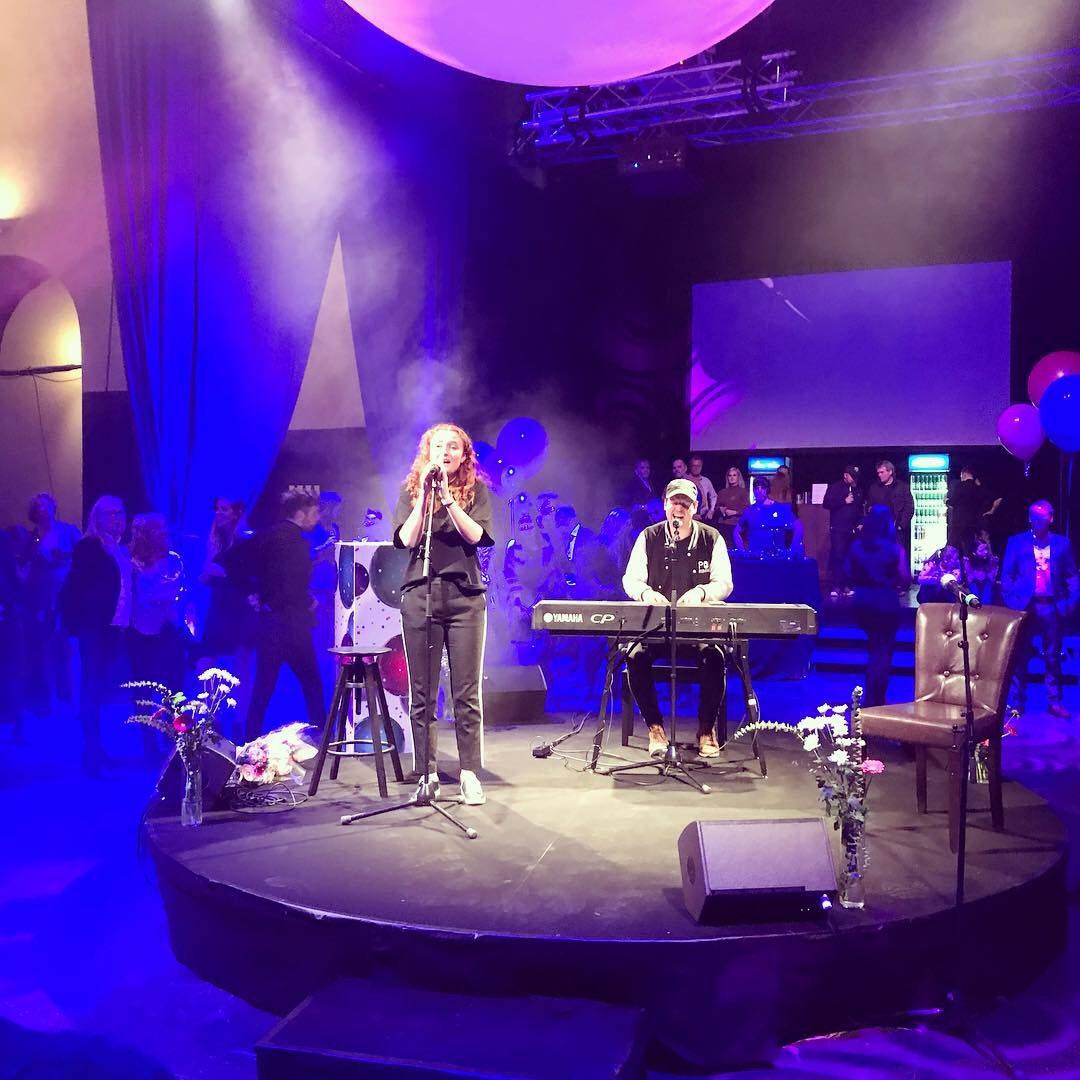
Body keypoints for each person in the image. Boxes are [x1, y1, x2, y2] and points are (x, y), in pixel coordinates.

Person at [393, 422, 495, 804]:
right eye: (439, 447)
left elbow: (477, 537)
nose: (446, 452)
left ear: (464, 454)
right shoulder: (410, 491)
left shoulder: (476, 491)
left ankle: (469, 773)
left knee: (466, 691)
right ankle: (427, 773)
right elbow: (407, 539)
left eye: (453, 447)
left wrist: (449, 499)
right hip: (420, 595)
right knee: (422, 691)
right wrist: (425, 496)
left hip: (465, 598)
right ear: (428, 453)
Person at [622, 478, 734, 759]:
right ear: (665, 505)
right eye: (675, 502)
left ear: (695, 508)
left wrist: (702, 592)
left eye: (685, 503)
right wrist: (645, 593)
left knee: (715, 657)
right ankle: (655, 728)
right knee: (634, 655)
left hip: (698, 630)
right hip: (657, 628)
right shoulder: (648, 536)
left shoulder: (712, 538)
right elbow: (630, 579)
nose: (679, 508)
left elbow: (725, 583)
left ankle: (706, 730)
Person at [239, 490, 326, 742]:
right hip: (292, 626)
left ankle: (249, 740)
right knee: (311, 684)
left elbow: (235, 564)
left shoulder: (268, 536)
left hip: (270, 625)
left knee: (263, 688)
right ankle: (324, 738)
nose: (318, 518)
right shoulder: (297, 542)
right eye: (314, 513)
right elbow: (290, 585)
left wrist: (254, 593)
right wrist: (306, 601)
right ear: (300, 513)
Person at [58, 495, 132, 776]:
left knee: (99, 687)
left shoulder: (120, 548)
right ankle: (92, 753)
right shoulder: (89, 546)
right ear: (97, 517)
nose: (117, 517)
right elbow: (75, 587)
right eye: (110, 513)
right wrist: (74, 626)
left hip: (112, 626)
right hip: (94, 625)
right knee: (91, 686)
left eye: (120, 512)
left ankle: (96, 749)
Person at [1001, 500, 1080, 719]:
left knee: (1053, 656)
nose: (1039, 520)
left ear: (1051, 518)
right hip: (1024, 606)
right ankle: (1017, 702)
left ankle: (1054, 701)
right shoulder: (1016, 542)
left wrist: (1069, 603)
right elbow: (1007, 575)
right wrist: (1012, 601)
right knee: (1019, 655)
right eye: (1035, 516)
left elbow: (1072, 577)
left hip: (1051, 606)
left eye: (1043, 516)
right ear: (1030, 518)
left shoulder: (1063, 544)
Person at [843, 506, 909, 707]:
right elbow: (905, 577)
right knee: (883, 650)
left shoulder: (857, 546)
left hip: (863, 600)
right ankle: (875, 699)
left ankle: (873, 697)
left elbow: (847, 571)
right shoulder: (895, 549)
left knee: (875, 647)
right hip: (886, 600)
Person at [22, 493, 80, 714]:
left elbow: (82, 561)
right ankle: (52, 696)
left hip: (68, 598)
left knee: (70, 647)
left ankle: (73, 697)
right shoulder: (31, 538)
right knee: (47, 648)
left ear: (53, 507)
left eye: (46, 505)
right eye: (38, 506)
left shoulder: (68, 532)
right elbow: (24, 570)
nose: (43, 509)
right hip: (43, 600)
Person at [733, 476, 804, 556]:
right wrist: (742, 552)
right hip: (755, 557)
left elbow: (798, 527)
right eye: (756, 488)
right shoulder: (749, 511)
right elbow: (736, 531)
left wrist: (793, 549)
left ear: (767, 489)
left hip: (777, 558)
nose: (759, 491)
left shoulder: (780, 508)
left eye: (762, 488)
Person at [823, 466, 863, 598]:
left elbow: (858, 508)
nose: (854, 479)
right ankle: (836, 585)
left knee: (850, 558)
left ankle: (847, 585)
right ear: (845, 475)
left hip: (852, 529)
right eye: (852, 476)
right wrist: (843, 501)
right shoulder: (835, 488)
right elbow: (826, 503)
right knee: (838, 556)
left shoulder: (857, 489)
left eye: (855, 477)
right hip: (838, 528)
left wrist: (860, 522)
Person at [867, 460, 914, 564]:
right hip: (879, 531)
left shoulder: (902, 487)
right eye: (878, 472)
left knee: (897, 560)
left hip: (897, 531)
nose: (879, 475)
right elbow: (869, 507)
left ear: (890, 471)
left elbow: (909, 507)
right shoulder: (874, 488)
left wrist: (901, 525)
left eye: (882, 472)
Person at [713, 466, 749, 548]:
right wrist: (720, 509)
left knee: (736, 547)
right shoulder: (722, 492)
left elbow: (747, 510)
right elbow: (716, 507)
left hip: (736, 525)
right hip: (723, 525)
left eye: (734, 475)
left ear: (738, 477)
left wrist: (735, 512)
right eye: (730, 475)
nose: (732, 477)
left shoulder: (743, 492)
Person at [688, 456, 717, 521]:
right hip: (690, 516)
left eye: (698, 466)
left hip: (703, 517)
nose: (696, 468)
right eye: (694, 466)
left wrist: (711, 510)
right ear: (690, 466)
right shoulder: (686, 480)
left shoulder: (706, 481)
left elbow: (713, 496)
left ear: (701, 467)